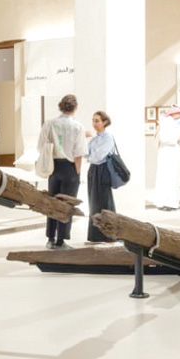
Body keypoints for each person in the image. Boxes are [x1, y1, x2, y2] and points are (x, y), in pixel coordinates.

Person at [38, 95, 86, 247]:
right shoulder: (77, 126)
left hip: (54, 167)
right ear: (75, 108)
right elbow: (78, 153)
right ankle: (61, 240)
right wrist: (77, 173)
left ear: (60, 106)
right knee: (66, 205)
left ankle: (50, 238)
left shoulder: (49, 123)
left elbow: (40, 146)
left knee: (52, 203)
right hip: (70, 168)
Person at [85, 111, 120, 243]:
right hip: (93, 170)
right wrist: (90, 156)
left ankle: (109, 234)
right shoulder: (94, 139)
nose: (94, 123)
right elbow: (85, 154)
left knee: (105, 202)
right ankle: (96, 235)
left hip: (103, 170)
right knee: (93, 202)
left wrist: (91, 157)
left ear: (104, 122)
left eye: (97, 121)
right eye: (93, 120)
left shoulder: (108, 138)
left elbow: (98, 156)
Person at [153, 105, 180, 210]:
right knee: (169, 178)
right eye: (179, 113)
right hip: (168, 153)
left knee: (170, 178)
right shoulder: (167, 122)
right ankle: (169, 203)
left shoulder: (170, 122)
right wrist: (178, 139)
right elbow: (164, 138)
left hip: (171, 152)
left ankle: (167, 202)